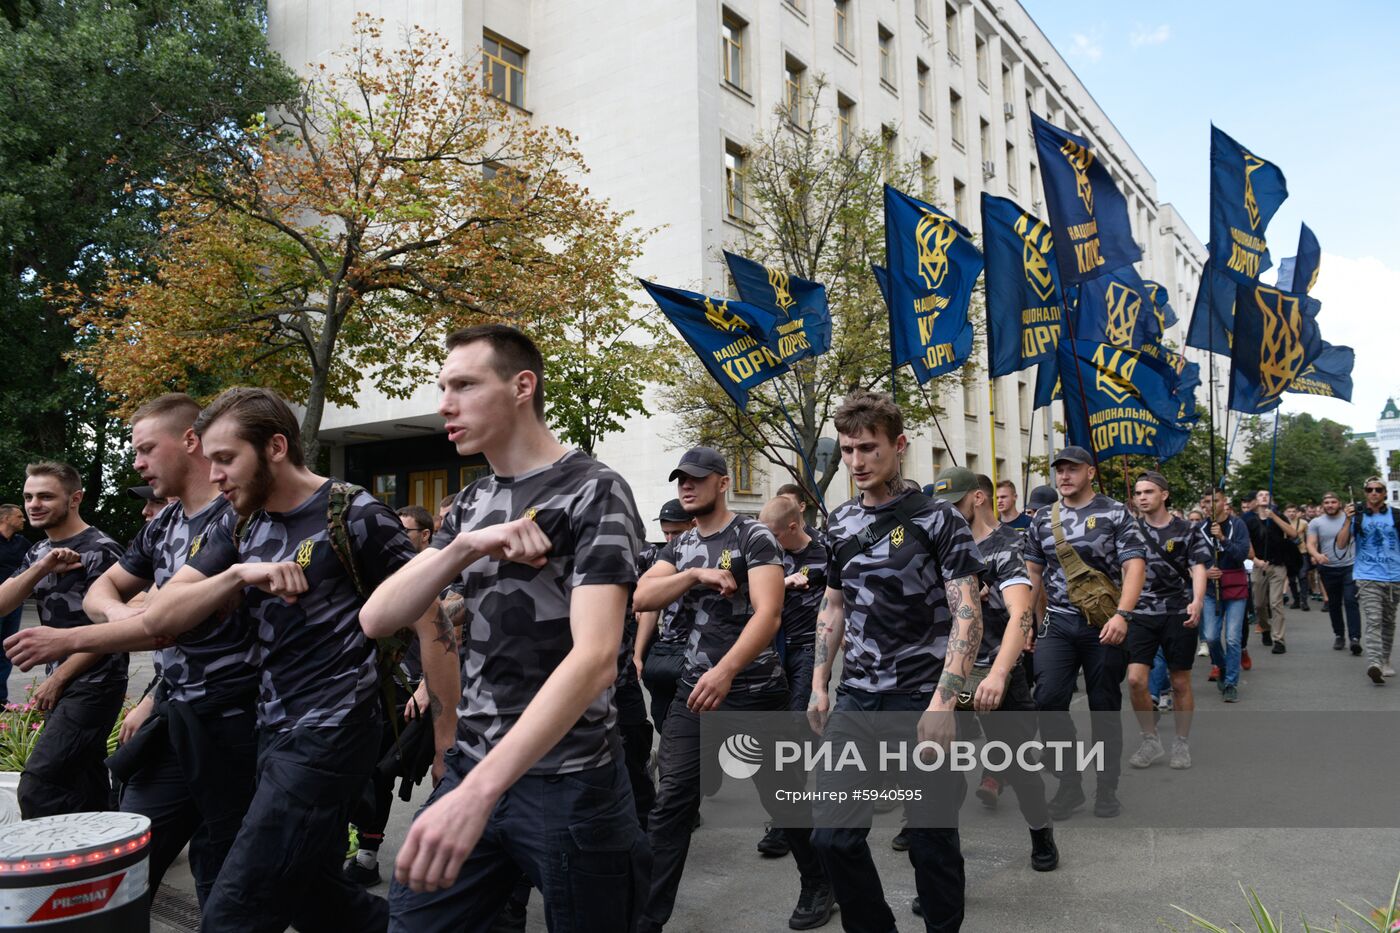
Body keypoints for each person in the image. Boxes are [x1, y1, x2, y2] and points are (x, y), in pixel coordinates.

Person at [356, 325, 649, 932]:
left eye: (463, 384)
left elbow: (597, 658)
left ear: (522, 386)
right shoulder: (470, 503)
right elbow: (379, 617)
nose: (444, 403)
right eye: (442, 387)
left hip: (570, 781)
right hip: (473, 765)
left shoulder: (595, 490)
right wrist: (461, 547)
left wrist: (477, 791)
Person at [142, 387, 460, 933]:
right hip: (270, 728)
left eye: (225, 458)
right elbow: (166, 611)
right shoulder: (238, 523)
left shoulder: (354, 513)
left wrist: (445, 734)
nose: (214, 474)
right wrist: (238, 574)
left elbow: (431, 617)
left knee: (237, 906)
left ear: (276, 447)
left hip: (334, 731)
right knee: (312, 892)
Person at [4, 395, 259, 905]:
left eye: (144, 448)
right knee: (128, 854)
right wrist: (130, 621)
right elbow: (111, 596)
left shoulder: (235, 519)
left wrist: (70, 640)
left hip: (236, 719)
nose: (136, 462)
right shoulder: (162, 525)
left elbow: (162, 624)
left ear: (190, 441)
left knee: (231, 874)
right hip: (174, 711)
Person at [809, 390, 986, 931]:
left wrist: (943, 702)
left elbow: (968, 616)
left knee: (931, 840)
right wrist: (820, 682)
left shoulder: (937, 521)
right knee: (832, 836)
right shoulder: (838, 523)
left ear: (898, 445)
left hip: (920, 698)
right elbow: (834, 603)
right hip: (857, 698)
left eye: (868, 448)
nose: (857, 462)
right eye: (847, 450)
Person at [635, 446, 832, 932]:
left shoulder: (753, 534)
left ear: (723, 483)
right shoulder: (680, 547)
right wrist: (694, 575)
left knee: (782, 798)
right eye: (681, 478)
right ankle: (646, 919)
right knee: (673, 804)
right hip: (694, 692)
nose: (687, 485)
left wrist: (725, 671)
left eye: (697, 478)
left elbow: (769, 613)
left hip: (752, 690)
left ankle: (818, 882)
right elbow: (641, 595)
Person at [938, 467, 1057, 872]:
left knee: (1020, 768)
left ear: (977, 498)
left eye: (954, 505)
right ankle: (941, 861)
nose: (947, 515)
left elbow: (1021, 612)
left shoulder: (1007, 546)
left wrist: (1000, 673)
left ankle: (1041, 832)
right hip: (949, 676)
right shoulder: (940, 547)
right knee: (939, 769)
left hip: (995, 671)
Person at [1024, 446, 1145, 820]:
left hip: (1104, 624)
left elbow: (1135, 566)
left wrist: (1123, 615)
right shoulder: (1043, 518)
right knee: (1047, 700)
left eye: (1072, 469)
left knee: (1104, 707)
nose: (1064, 476)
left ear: (1090, 473)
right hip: (1058, 623)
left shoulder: (1114, 512)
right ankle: (1069, 784)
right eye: (1059, 470)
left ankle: (1107, 788)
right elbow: (1032, 576)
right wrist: (1028, 622)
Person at [0, 461, 126, 817]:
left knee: (40, 784)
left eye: (45, 496)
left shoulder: (102, 550)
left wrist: (57, 678)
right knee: (85, 781)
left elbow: (113, 635)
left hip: (96, 682)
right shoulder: (38, 552)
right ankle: (108, 861)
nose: (33, 504)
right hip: (68, 683)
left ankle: (49, 867)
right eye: (28, 496)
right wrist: (43, 566)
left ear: (75, 499)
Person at [340, 503, 441, 887]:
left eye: (406, 532)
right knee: (373, 775)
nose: (396, 538)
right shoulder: (385, 574)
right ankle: (366, 855)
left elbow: (449, 634)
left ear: (426, 536)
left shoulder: (439, 573)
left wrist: (426, 686)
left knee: (427, 773)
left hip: (424, 695)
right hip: (381, 692)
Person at [753, 493, 828, 859]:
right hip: (773, 651)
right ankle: (792, 812)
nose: (767, 541)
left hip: (809, 653)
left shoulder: (824, 554)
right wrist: (783, 584)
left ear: (794, 526)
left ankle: (789, 822)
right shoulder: (769, 555)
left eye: (774, 534)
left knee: (797, 728)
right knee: (778, 733)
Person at [1124, 473, 1208, 770]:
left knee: (1180, 682)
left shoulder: (1188, 529)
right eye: (1138, 493)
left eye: (1149, 492)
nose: (1142, 497)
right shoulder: (1129, 531)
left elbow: (1198, 567)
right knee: (1135, 680)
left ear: (1164, 495)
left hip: (1177, 611)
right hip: (1141, 613)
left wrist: (1197, 601)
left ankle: (1181, 743)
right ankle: (1150, 740)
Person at [634, 499, 696, 731]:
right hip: (668, 651)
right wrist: (638, 655)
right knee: (663, 720)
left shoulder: (714, 555)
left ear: (693, 524)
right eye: (665, 533)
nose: (670, 539)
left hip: (700, 655)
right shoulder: (663, 559)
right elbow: (651, 607)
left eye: (676, 533)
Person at [1335, 478, 1400, 684]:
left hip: (1394, 577)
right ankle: (1375, 663)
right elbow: (1341, 544)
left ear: (1384, 494)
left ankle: (1385, 659)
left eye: (1378, 490)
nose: (1373, 493)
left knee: (1388, 622)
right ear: (1365, 493)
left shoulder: (1396, 516)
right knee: (1373, 620)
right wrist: (1347, 520)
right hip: (1367, 576)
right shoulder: (1358, 517)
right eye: (1369, 490)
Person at [1198, 492, 1251, 703]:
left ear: (1224, 503)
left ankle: (1230, 683)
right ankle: (1221, 665)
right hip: (1211, 590)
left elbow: (1241, 554)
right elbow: (1192, 558)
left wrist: (1222, 539)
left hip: (1235, 587)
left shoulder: (1237, 525)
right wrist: (1205, 570)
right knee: (1211, 637)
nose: (1210, 505)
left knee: (1232, 637)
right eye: (1206, 502)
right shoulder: (1198, 529)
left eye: (1215, 501)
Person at [1242, 490, 1297, 654]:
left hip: (1277, 565)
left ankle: (1279, 639)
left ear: (1271, 499)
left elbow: (1292, 534)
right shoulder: (1247, 519)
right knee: (1259, 604)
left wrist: (1274, 517)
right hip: (1259, 566)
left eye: (1267, 495)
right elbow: (1245, 541)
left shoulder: (1278, 516)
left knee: (1275, 603)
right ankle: (1265, 628)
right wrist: (1256, 560)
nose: (1264, 497)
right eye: (1260, 495)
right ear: (1256, 500)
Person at [1308, 492, 1362, 654]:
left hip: (1350, 566)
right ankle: (1339, 635)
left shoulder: (1351, 518)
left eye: (1333, 502)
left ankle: (1355, 638)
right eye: (1326, 502)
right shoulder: (1316, 522)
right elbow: (1311, 543)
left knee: (1350, 600)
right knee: (1334, 603)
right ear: (1323, 505)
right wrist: (1316, 555)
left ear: (1339, 503)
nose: (1330, 505)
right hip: (1328, 567)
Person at [0, 503, 30, 702]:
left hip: (15, 604)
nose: (24, 519)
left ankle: (1, 698)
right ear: (5, 518)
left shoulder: (22, 543)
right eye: (19, 516)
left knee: (5, 649)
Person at [1284, 505, 1311, 612]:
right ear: (1286, 512)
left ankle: (1304, 601)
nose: (1291, 513)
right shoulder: (1283, 522)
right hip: (1289, 553)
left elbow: (1309, 537)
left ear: (1297, 512)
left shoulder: (1304, 523)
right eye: (1289, 511)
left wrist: (1311, 552)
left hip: (1302, 551)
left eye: (1293, 511)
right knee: (1291, 578)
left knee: (1303, 576)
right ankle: (1296, 599)